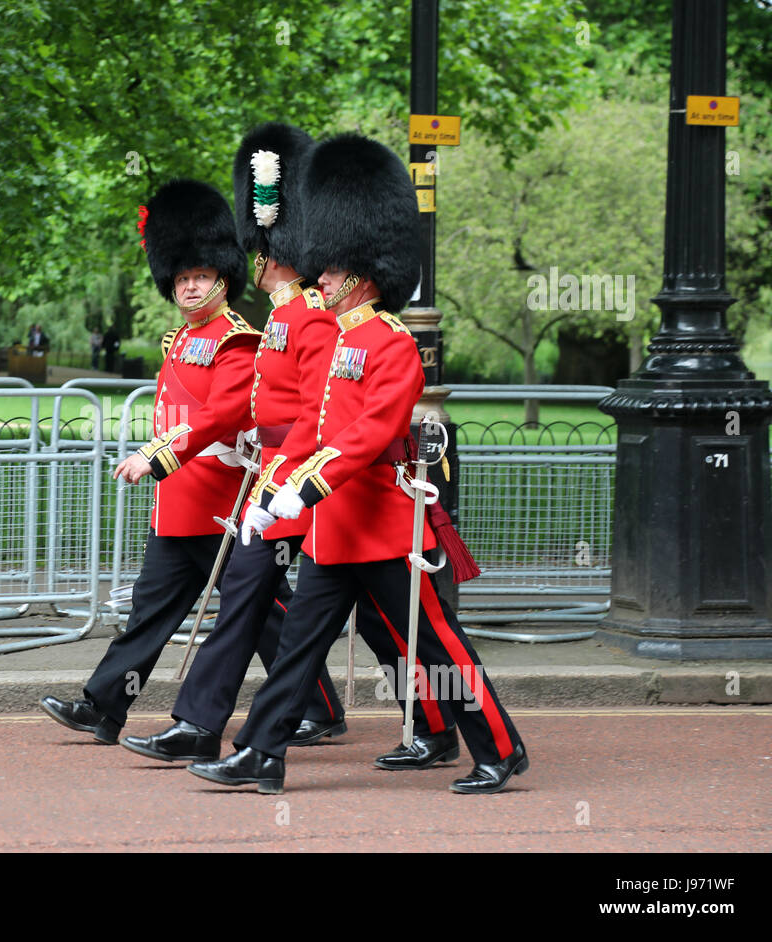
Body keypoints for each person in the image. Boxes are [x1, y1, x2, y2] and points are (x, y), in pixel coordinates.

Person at [188, 134, 526, 795]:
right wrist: (275, 489)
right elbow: (315, 425)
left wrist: (306, 488)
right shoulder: (339, 338)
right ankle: (262, 752)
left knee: (437, 647)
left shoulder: (392, 345)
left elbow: (368, 436)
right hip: (330, 529)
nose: (324, 281)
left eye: (335, 274)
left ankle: (500, 747)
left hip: (382, 528)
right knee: (297, 650)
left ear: (365, 277)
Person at [42, 179, 319, 748]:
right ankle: (104, 707)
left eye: (200, 277)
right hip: (179, 500)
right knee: (158, 610)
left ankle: (311, 704)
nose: (190, 287)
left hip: (218, 498)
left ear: (223, 279)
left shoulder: (236, 340)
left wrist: (156, 455)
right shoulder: (180, 339)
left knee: (261, 611)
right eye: (183, 278)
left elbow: (219, 417)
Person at [122, 124, 358, 763]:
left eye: (263, 247)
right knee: (252, 610)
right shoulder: (283, 316)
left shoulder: (307, 317)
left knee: (381, 622)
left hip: (299, 485)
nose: (256, 258)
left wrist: (282, 472)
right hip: (268, 482)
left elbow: (318, 408)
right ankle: (217, 730)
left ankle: (441, 722)